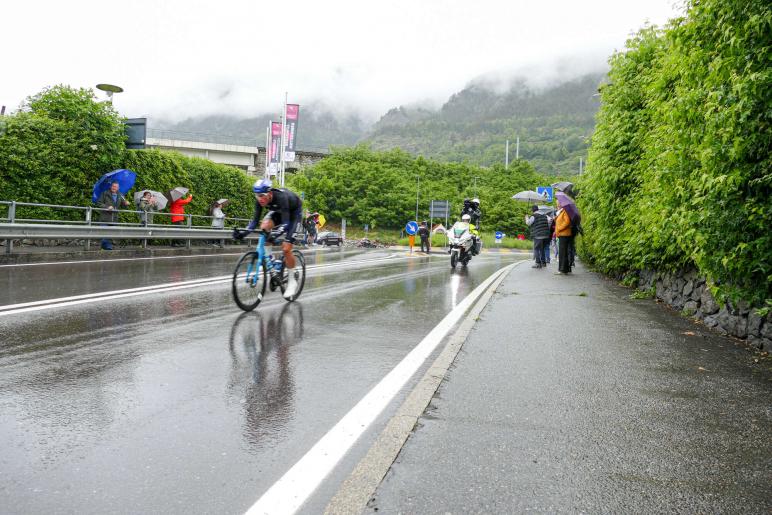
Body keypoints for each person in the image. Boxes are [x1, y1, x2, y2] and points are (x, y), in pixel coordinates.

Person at [233, 178, 303, 300]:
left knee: (286, 249)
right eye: (257, 196)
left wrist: (276, 234)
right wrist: (244, 233)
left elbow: (286, 224)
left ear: (269, 193)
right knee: (264, 227)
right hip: (279, 212)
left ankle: (292, 281)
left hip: (292, 215)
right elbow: (254, 222)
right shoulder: (259, 201)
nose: (259, 199)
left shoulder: (281, 197)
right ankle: (270, 260)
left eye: (262, 195)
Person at [96, 181, 130, 250]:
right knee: (104, 233)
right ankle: (106, 246)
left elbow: (123, 206)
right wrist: (107, 207)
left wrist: (126, 204)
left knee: (111, 233)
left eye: (116, 187)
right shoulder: (105, 193)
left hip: (114, 218)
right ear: (111, 186)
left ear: (118, 188)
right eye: (113, 186)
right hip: (105, 217)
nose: (114, 188)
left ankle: (107, 246)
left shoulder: (120, 195)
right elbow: (99, 203)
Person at [555, 204, 573, 274]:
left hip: (564, 234)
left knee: (563, 253)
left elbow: (567, 221)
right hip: (562, 234)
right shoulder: (561, 212)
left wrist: (559, 228)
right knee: (563, 253)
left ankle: (562, 269)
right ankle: (564, 269)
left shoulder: (565, 212)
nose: (557, 206)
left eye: (559, 205)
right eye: (557, 205)